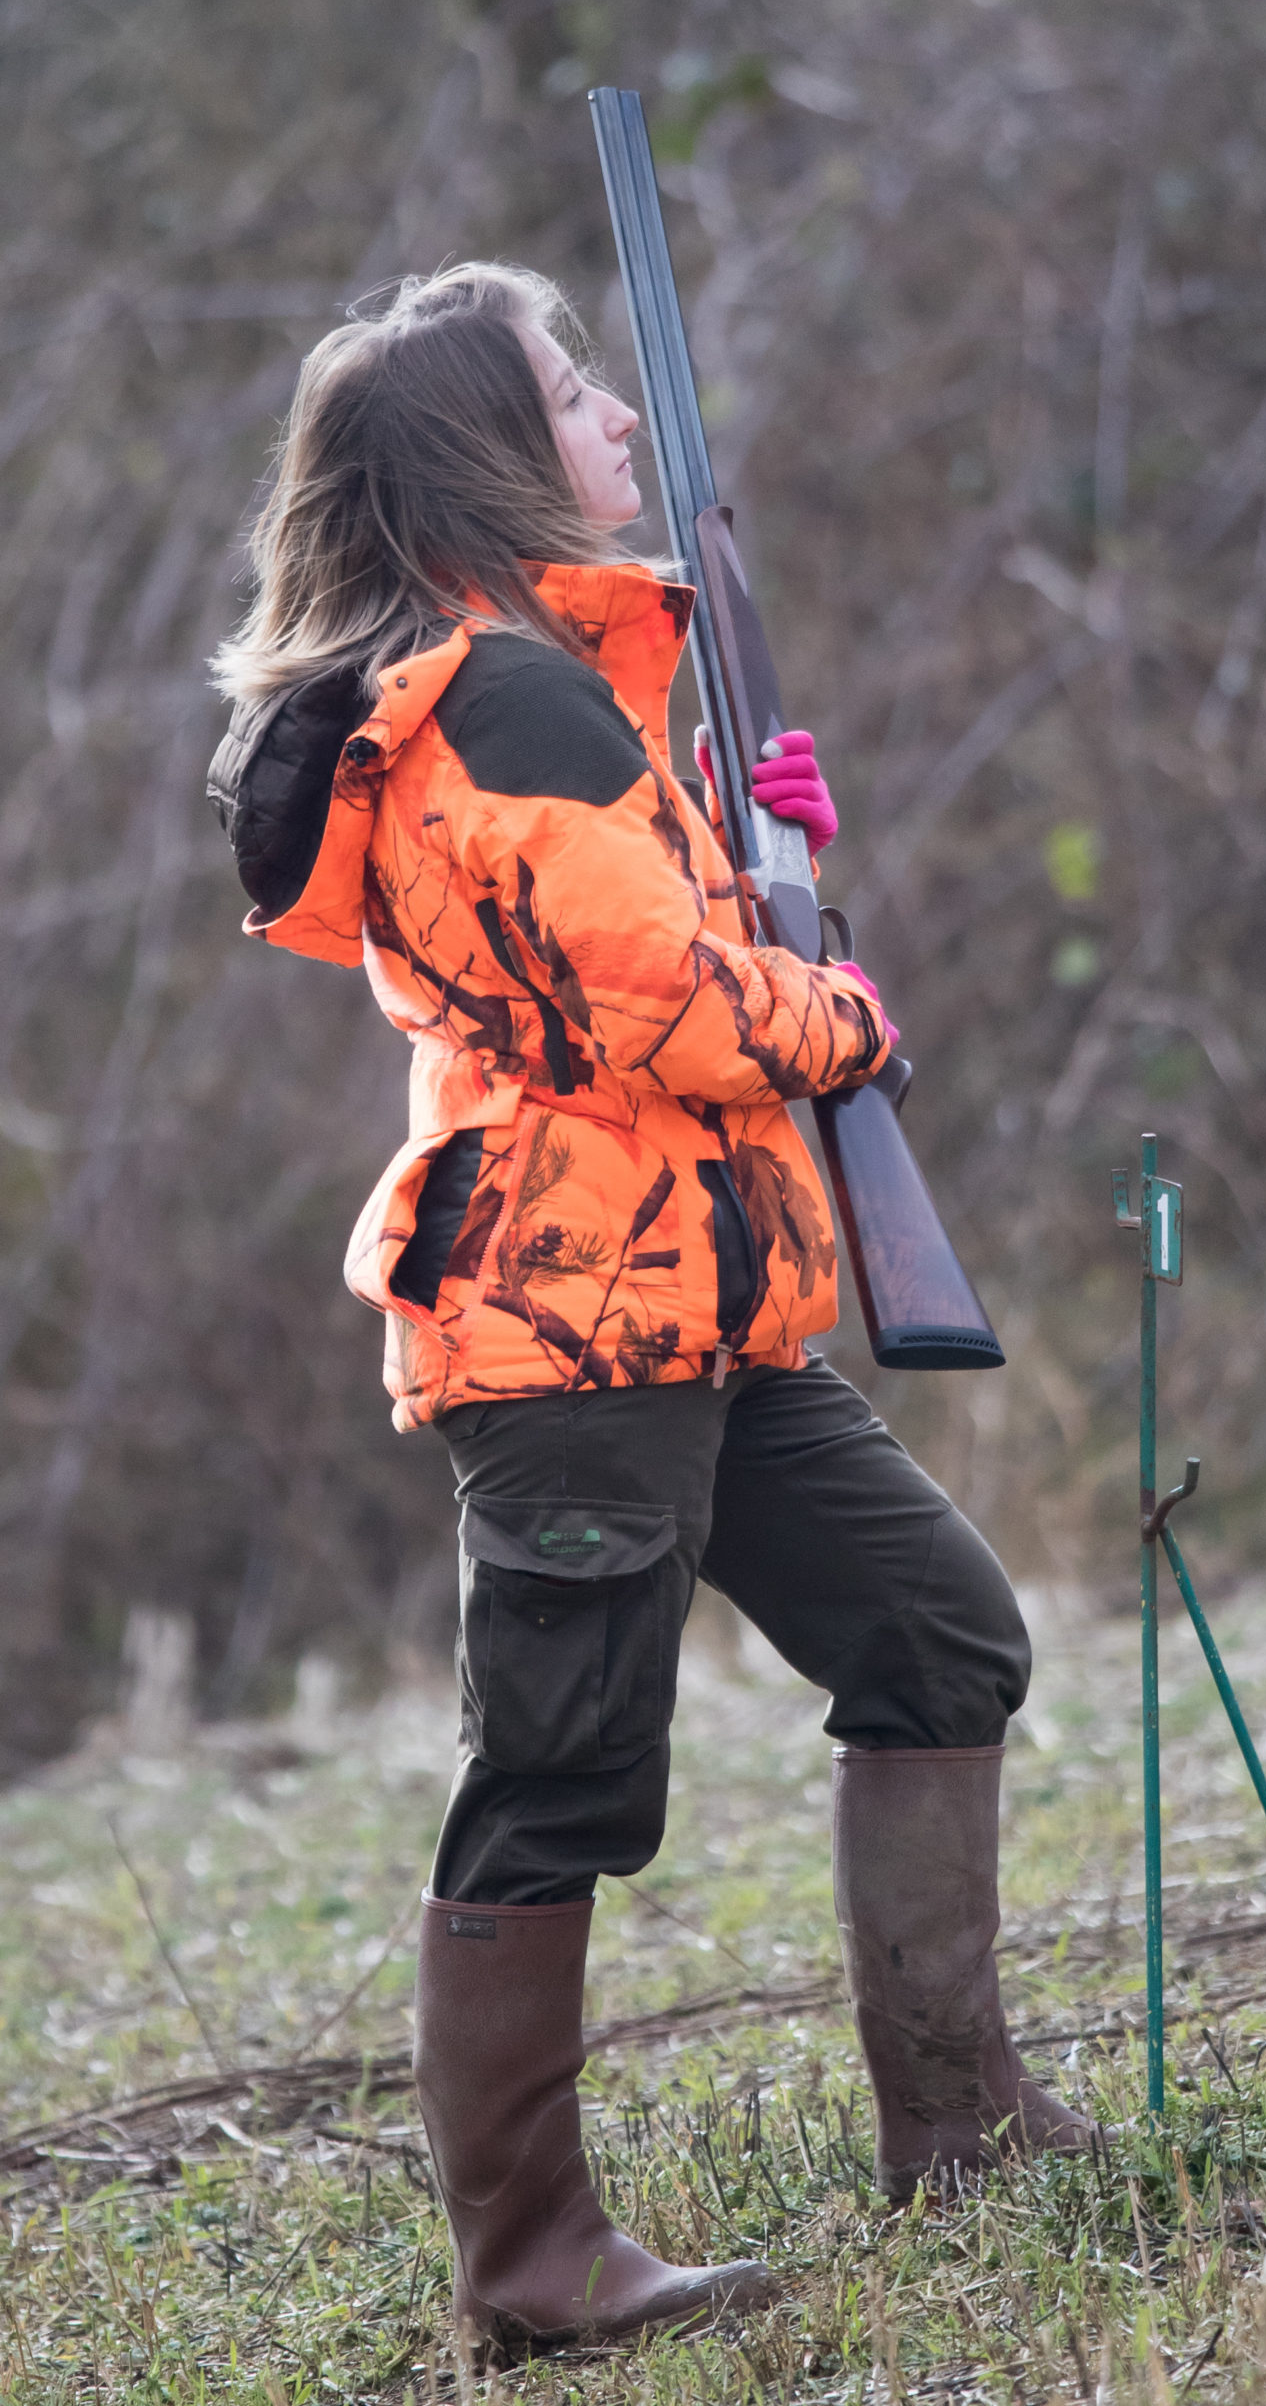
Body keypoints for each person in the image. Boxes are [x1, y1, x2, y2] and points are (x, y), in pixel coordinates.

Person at [207, 263, 1088, 2363]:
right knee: (560, 1775)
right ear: (492, 461)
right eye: (573, 391)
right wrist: (830, 1002)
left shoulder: (541, 687)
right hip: (575, 1324)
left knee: (934, 1631)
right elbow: (642, 1003)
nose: (615, 417)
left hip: (683, 1306)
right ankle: (528, 2268)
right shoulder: (503, 695)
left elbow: (622, 941)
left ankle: (957, 2131)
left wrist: (749, 858)